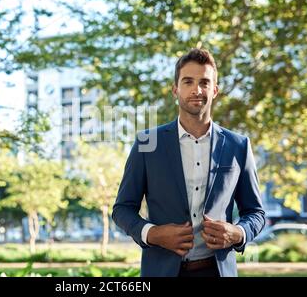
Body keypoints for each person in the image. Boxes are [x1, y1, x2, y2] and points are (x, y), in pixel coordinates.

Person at [112, 48, 265, 277]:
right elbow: (122, 209)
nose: (197, 89)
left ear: (215, 90)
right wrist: (152, 233)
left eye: (204, 82)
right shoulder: (147, 143)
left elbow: (256, 212)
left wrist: (239, 233)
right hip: (161, 271)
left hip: (217, 271)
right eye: (188, 81)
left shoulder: (238, 146)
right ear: (175, 89)